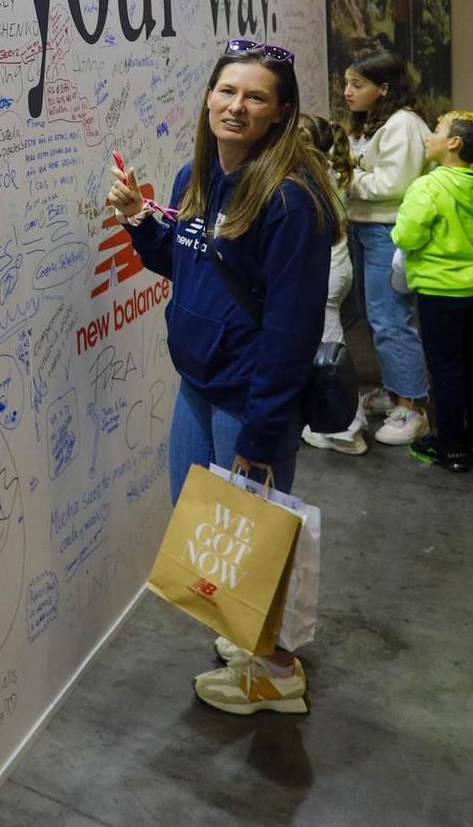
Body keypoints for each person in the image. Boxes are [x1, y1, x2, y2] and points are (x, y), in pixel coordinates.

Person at [105, 39, 339, 716]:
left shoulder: (291, 202)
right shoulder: (195, 178)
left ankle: (276, 672)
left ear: (280, 112)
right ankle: (249, 640)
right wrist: (136, 220)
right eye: (227, 91)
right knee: (211, 530)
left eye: (256, 96)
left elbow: (291, 332)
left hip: (250, 401)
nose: (236, 106)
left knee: (251, 538)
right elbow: (187, 265)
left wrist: (262, 435)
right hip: (197, 389)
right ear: (209, 96)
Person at [391, 111, 473, 473]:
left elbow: (407, 236)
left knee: (444, 369)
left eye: (437, 130)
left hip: (439, 292)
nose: (429, 136)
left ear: (454, 143)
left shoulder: (427, 187)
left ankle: (450, 446)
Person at [339, 49, 432, 445]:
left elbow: (393, 184)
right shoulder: (369, 123)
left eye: (357, 85)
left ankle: (413, 408)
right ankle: (394, 390)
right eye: (345, 83)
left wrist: (345, 178)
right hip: (363, 226)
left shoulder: (403, 124)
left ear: (384, 88)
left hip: (387, 231)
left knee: (391, 318)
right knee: (374, 315)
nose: (347, 92)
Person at [297, 115, 366, 455]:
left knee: (329, 351)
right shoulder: (329, 169)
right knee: (327, 344)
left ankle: (346, 429)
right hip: (336, 270)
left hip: (327, 274)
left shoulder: (310, 179)